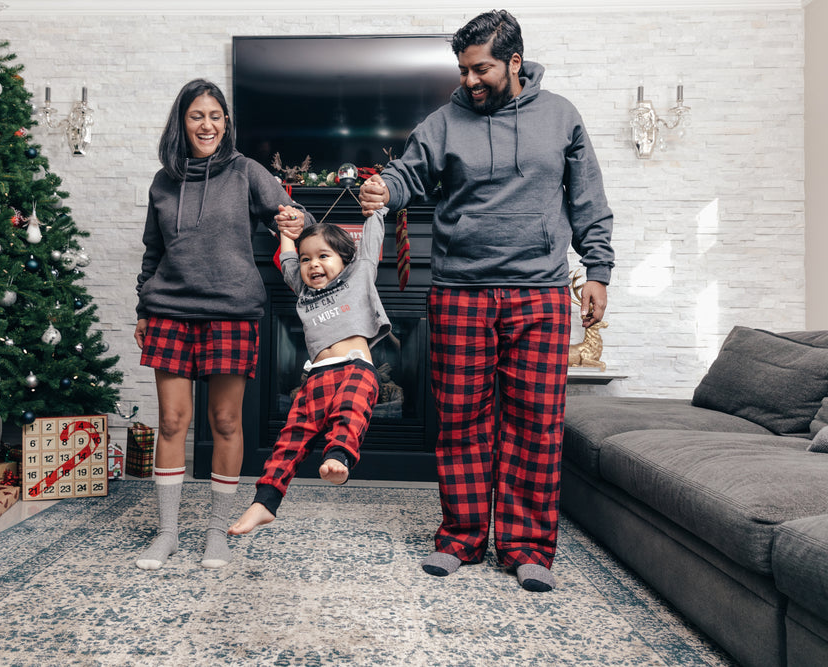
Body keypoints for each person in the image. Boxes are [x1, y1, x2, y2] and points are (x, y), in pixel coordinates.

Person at [358, 9, 615, 592]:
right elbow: (408, 175)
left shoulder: (561, 118)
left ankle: (526, 548)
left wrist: (597, 269)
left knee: (536, 424)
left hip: (540, 293)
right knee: (463, 422)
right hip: (460, 292)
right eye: (463, 70)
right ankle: (462, 539)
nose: (469, 81)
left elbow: (588, 202)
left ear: (515, 62)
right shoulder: (444, 122)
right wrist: (385, 190)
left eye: (481, 69)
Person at [134, 78, 310, 570]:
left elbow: (296, 217)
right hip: (169, 309)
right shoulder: (163, 182)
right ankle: (167, 534)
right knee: (172, 421)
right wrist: (143, 311)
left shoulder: (246, 172)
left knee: (226, 422)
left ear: (226, 121)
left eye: (215, 115)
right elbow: (153, 252)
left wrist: (294, 224)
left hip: (232, 311)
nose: (207, 124)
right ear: (182, 123)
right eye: (196, 116)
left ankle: (217, 535)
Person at [228, 211, 392, 535]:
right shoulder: (303, 290)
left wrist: (377, 209)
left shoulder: (359, 274)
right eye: (307, 259)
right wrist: (286, 229)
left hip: (355, 368)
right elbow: (287, 257)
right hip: (317, 376)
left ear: (346, 259)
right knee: (290, 439)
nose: (313, 264)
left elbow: (372, 241)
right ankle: (264, 502)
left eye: (323, 256)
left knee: (350, 408)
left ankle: (339, 456)